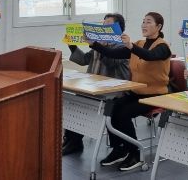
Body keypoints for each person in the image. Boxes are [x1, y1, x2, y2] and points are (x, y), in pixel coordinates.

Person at [89, 12, 171, 171]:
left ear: (159, 26)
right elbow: (113, 53)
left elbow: (149, 56)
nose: (144, 25)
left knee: (123, 113)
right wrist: (94, 44)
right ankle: (119, 149)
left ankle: (135, 153)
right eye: (143, 21)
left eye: (148, 22)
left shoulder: (163, 47)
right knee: (111, 108)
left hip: (155, 95)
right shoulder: (139, 43)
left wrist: (131, 47)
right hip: (136, 92)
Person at [63, 13, 131, 156]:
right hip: (94, 87)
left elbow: (112, 63)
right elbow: (84, 60)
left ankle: (75, 141)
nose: (104, 26)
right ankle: (72, 140)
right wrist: (72, 46)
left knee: (86, 104)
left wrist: (100, 46)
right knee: (75, 102)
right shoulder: (98, 44)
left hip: (113, 90)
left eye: (108, 24)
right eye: (103, 24)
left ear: (117, 28)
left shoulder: (122, 45)